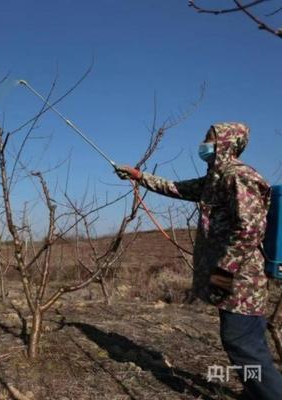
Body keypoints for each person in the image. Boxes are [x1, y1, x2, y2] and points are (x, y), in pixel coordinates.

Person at [116, 123, 282, 399]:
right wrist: (138, 176)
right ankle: (258, 391)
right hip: (231, 278)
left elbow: (250, 230)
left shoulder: (238, 177)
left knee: (242, 343)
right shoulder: (214, 180)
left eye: (209, 139)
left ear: (227, 144)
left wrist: (222, 274)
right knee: (244, 344)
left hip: (241, 281)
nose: (203, 144)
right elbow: (175, 188)